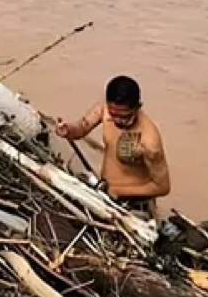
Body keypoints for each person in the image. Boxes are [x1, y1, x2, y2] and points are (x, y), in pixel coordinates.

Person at [53, 75, 169, 214]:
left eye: (125, 116)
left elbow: (162, 187)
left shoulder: (149, 141)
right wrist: (68, 130)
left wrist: (118, 190)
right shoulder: (105, 111)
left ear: (138, 107)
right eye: (114, 114)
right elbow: (82, 128)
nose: (118, 121)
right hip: (104, 194)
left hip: (133, 206)